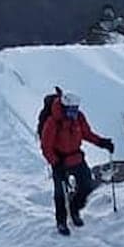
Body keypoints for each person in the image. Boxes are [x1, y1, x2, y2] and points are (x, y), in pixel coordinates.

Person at [40, 91, 115, 235]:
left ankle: (74, 210)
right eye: (72, 109)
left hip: (76, 157)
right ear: (64, 107)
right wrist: (55, 163)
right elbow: (46, 146)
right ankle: (61, 222)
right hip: (60, 161)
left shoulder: (78, 118)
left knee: (87, 185)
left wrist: (102, 142)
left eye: (76, 108)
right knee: (60, 192)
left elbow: (87, 134)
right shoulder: (53, 122)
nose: (75, 112)